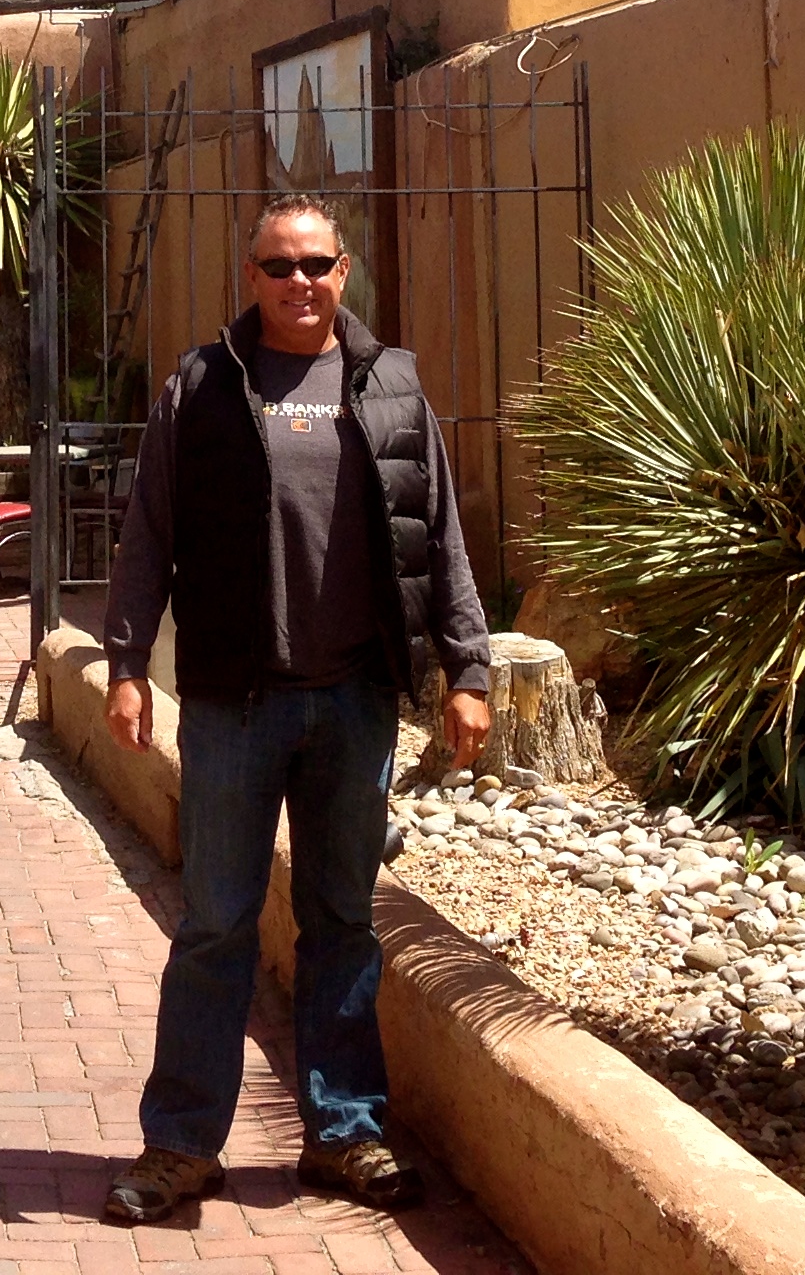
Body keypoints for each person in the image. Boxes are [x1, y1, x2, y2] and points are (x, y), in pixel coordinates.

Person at [96, 190, 496, 1225]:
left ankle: (344, 1132)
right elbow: (148, 535)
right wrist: (127, 662)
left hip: (354, 701)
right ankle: (182, 1145)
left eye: (316, 264)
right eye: (279, 266)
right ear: (252, 277)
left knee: (341, 923)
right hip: (236, 704)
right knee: (215, 927)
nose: (300, 282)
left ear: (343, 271)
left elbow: (437, 535)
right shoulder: (202, 385)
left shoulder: (390, 384)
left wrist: (469, 669)